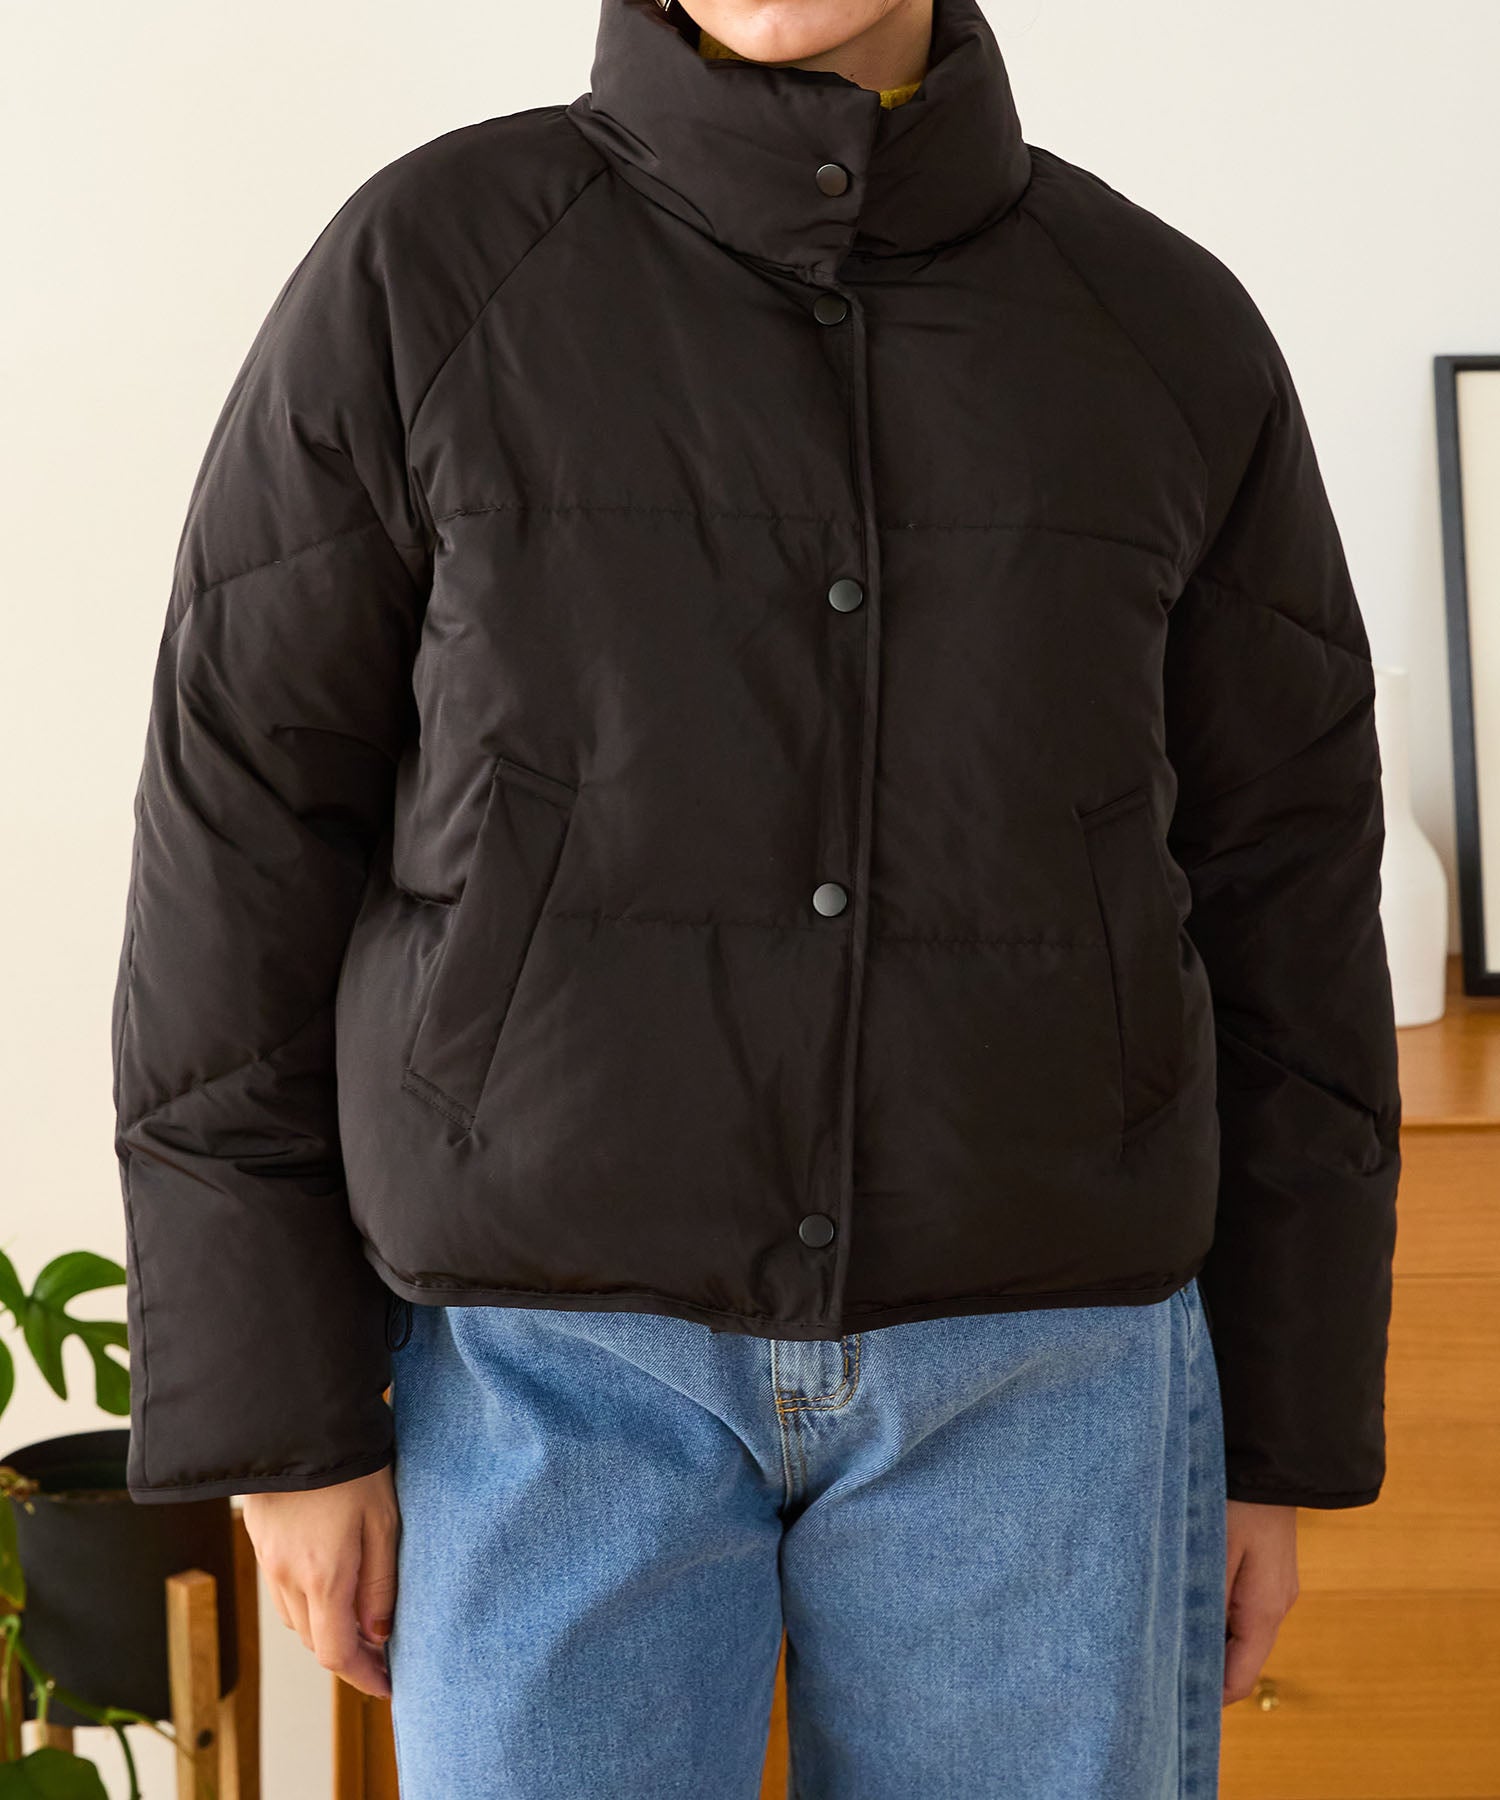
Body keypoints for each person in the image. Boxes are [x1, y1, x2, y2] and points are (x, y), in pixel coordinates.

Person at [109, 0, 1402, 1794]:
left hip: (1049, 1382)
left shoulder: (1162, 326)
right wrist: (283, 1425)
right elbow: (238, 839)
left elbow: (1291, 900)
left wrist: (1274, 1432)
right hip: (541, 1380)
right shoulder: (429, 269)